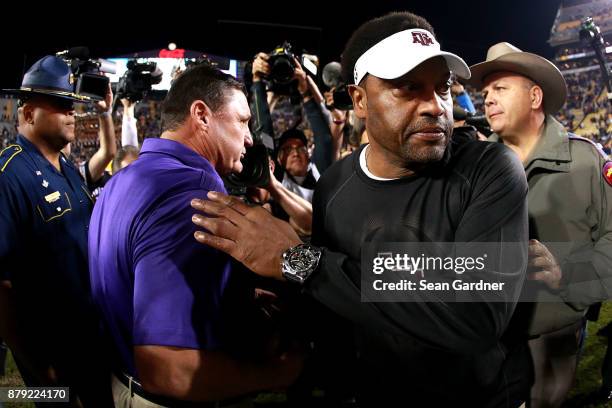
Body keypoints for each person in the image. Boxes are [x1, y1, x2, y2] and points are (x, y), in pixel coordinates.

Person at [191, 11, 531, 407]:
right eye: (408, 88)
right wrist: (285, 304)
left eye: (442, 87)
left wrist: (301, 261)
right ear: (359, 100)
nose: (436, 106)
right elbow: (339, 303)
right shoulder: (335, 184)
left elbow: (476, 316)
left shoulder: (489, 169)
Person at [88, 63, 303, 408]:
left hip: (120, 384)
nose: (249, 137)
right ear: (201, 115)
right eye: (242, 120)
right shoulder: (194, 186)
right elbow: (168, 367)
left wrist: (228, 295)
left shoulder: (120, 181)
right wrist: (274, 375)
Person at [469, 42, 612, 408]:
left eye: (500, 89)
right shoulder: (475, 165)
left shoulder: (586, 161)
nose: (487, 99)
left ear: (535, 96)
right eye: (485, 92)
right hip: (488, 333)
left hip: (554, 332)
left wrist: (566, 272)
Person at [0, 55, 112, 407]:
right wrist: (39, 370)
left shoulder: (65, 167)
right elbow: (1, 287)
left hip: (88, 336)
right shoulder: (9, 175)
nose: (72, 114)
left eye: (73, 105)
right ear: (29, 113)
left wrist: (107, 111)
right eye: (62, 105)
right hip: (49, 353)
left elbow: (107, 153)